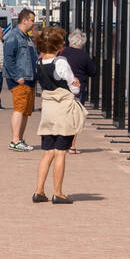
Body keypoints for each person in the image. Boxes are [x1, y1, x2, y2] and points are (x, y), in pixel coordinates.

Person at [31, 27, 82, 205]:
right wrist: (77, 84)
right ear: (57, 44)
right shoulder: (60, 62)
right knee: (60, 152)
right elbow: (73, 86)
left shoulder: (39, 62)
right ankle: (58, 193)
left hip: (48, 108)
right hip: (63, 109)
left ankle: (39, 191)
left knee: (47, 152)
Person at [3, 9, 38, 151]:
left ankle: (20, 139)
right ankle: (15, 140)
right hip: (20, 79)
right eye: (32, 20)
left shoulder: (27, 38)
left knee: (25, 111)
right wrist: (17, 76)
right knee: (19, 109)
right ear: (24, 20)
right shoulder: (14, 36)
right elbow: (8, 58)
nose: (33, 23)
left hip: (29, 78)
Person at [60, 28, 98, 153]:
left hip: (62, 87)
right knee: (75, 117)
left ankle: (59, 142)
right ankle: (72, 145)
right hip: (78, 88)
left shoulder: (63, 52)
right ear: (82, 42)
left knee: (63, 115)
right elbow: (93, 72)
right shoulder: (83, 55)